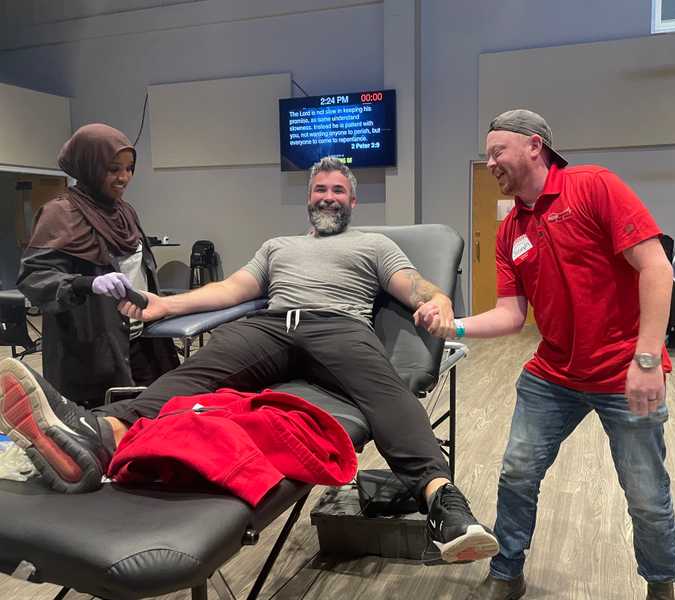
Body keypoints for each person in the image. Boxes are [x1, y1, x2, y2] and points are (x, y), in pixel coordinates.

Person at [0, 156, 499, 564]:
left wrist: (438, 302)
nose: (328, 197)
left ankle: (441, 501)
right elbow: (231, 289)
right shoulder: (277, 246)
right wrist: (165, 304)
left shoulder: (373, 244)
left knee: (385, 392)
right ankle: (98, 435)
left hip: (339, 326)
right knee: (193, 374)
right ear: (309, 198)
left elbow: (415, 286)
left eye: (338, 191)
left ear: (352, 200)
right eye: (320, 189)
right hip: (272, 326)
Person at [421, 110, 675, 600]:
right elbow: (510, 315)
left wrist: (647, 359)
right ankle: (506, 571)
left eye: (498, 151)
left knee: (645, 494)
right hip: (555, 372)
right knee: (518, 472)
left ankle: (660, 586)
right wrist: (451, 325)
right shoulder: (510, 230)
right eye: (488, 153)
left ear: (534, 146)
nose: (490, 161)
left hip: (624, 371)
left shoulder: (593, 186)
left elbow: (656, 267)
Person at [17, 123, 178, 408]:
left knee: (151, 418)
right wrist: (85, 283)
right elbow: (34, 278)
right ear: (89, 166)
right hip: (93, 353)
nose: (124, 177)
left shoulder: (125, 211)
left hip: (144, 341)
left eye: (129, 168)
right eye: (114, 168)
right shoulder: (60, 212)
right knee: (105, 430)